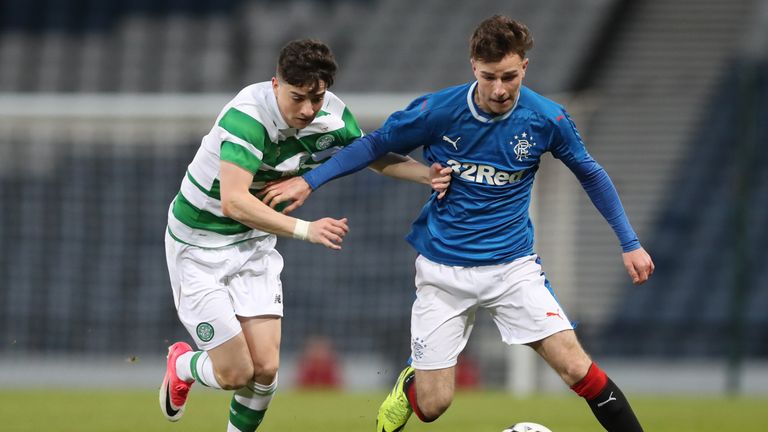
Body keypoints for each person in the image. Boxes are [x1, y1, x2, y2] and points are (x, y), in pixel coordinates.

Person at [261, 16, 654, 432]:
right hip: (443, 271)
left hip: (512, 268)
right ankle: (411, 381)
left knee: (576, 368)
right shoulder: (440, 111)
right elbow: (375, 144)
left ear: (525, 67)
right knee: (433, 406)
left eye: (509, 76)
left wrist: (629, 242)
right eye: (489, 77)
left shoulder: (546, 119)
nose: (500, 89)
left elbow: (590, 173)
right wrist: (309, 180)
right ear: (473, 67)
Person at [159, 39, 451, 432]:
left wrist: (424, 175)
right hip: (199, 246)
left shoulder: (332, 116)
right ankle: (182, 364)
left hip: (252, 244)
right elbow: (233, 202)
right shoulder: (247, 117)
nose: (308, 109)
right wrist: (305, 229)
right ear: (276, 84)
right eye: (298, 97)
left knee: (265, 369)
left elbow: (371, 155)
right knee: (234, 373)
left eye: (317, 96)